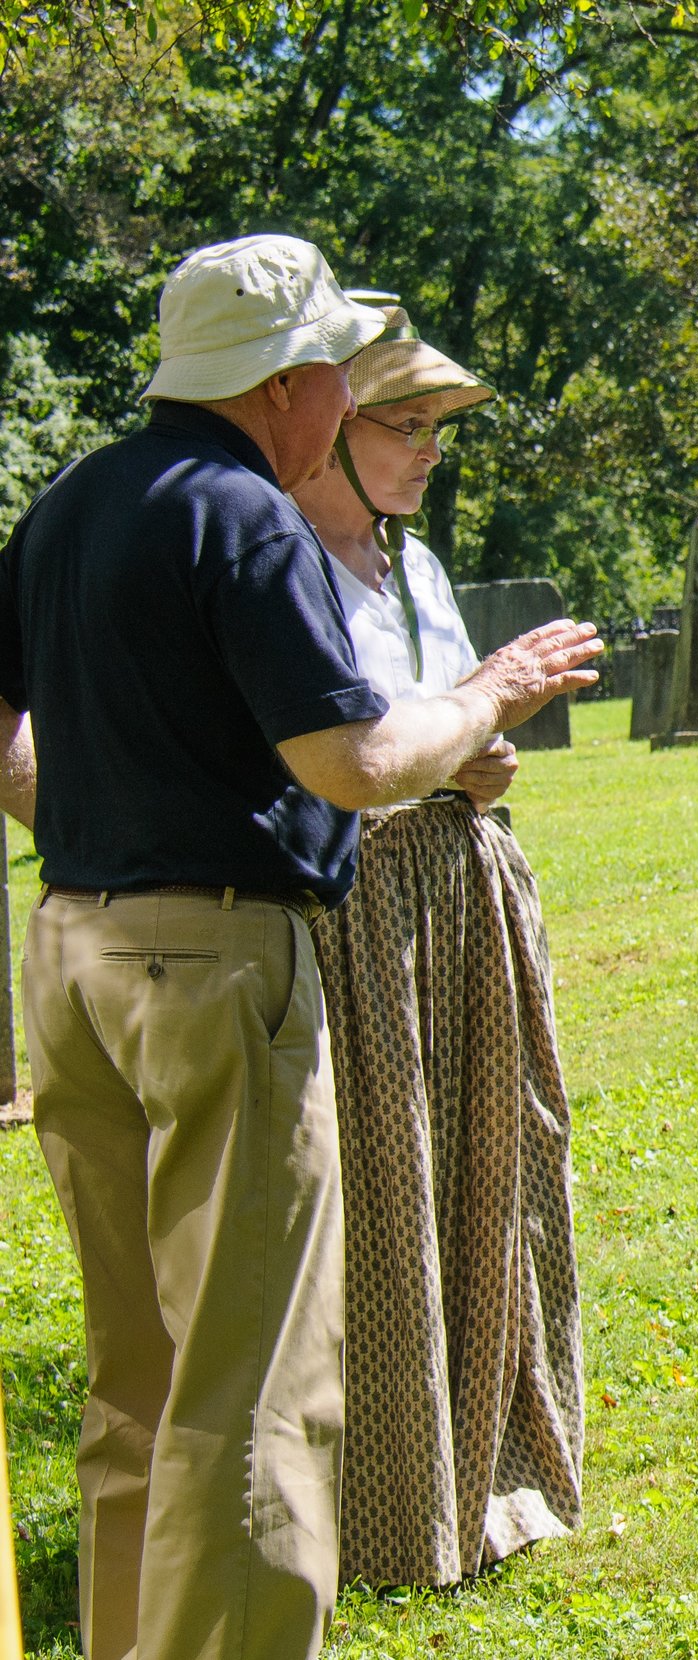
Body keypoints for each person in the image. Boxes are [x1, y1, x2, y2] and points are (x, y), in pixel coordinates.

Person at [0, 233, 600, 1660]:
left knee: (137, 1374)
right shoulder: (244, 515)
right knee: (260, 1381)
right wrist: (491, 694)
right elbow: (359, 759)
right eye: (338, 368)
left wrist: (95, 816)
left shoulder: (74, 501)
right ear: (290, 383)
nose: (345, 396)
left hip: (68, 957)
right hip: (215, 967)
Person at [288, 299, 584, 1585]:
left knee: (490, 1172)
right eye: (402, 426)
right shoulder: (277, 564)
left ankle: (492, 1465)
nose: (425, 450)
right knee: (381, 1199)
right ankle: (385, 1507)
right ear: (331, 430)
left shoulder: (410, 564)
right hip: (351, 910)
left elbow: (455, 725)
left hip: (461, 894)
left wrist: (488, 751)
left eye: (435, 429)